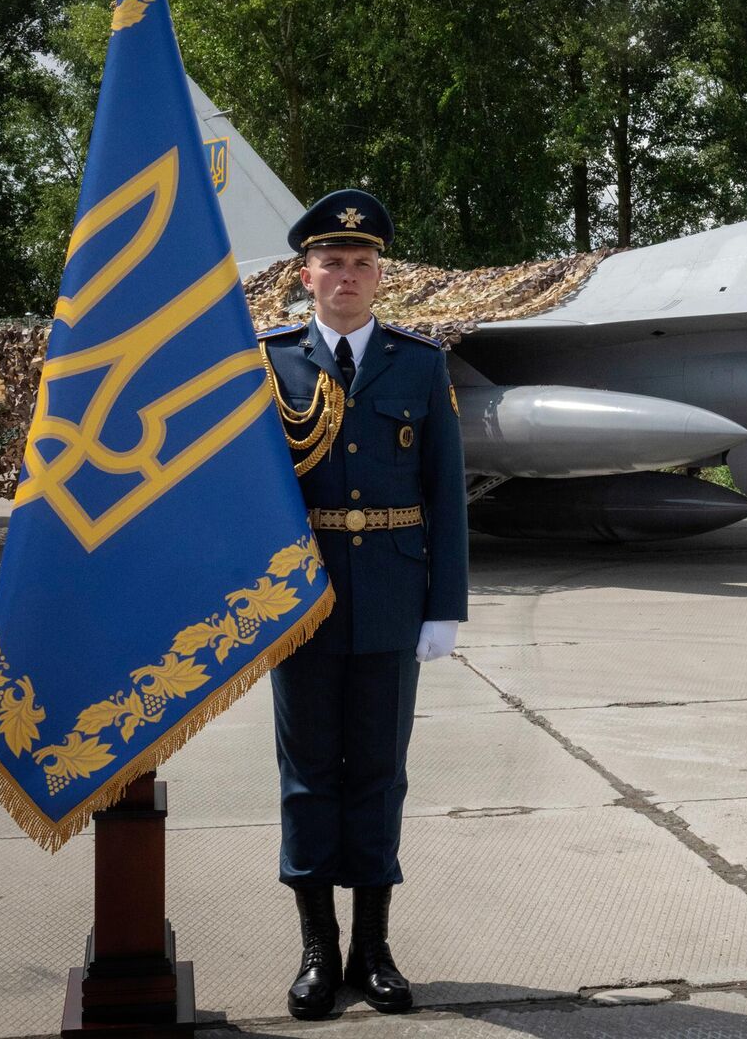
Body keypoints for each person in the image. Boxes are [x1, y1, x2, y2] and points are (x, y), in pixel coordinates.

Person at [258, 188, 468, 1019]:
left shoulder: (420, 363)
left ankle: (373, 949)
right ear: (304, 276)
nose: (346, 275)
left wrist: (444, 605)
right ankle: (318, 948)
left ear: (380, 276)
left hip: (390, 595)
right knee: (308, 775)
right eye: (331, 262)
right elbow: (248, 496)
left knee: (380, 774)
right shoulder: (268, 362)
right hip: (300, 599)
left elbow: (444, 491)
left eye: (361, 263)